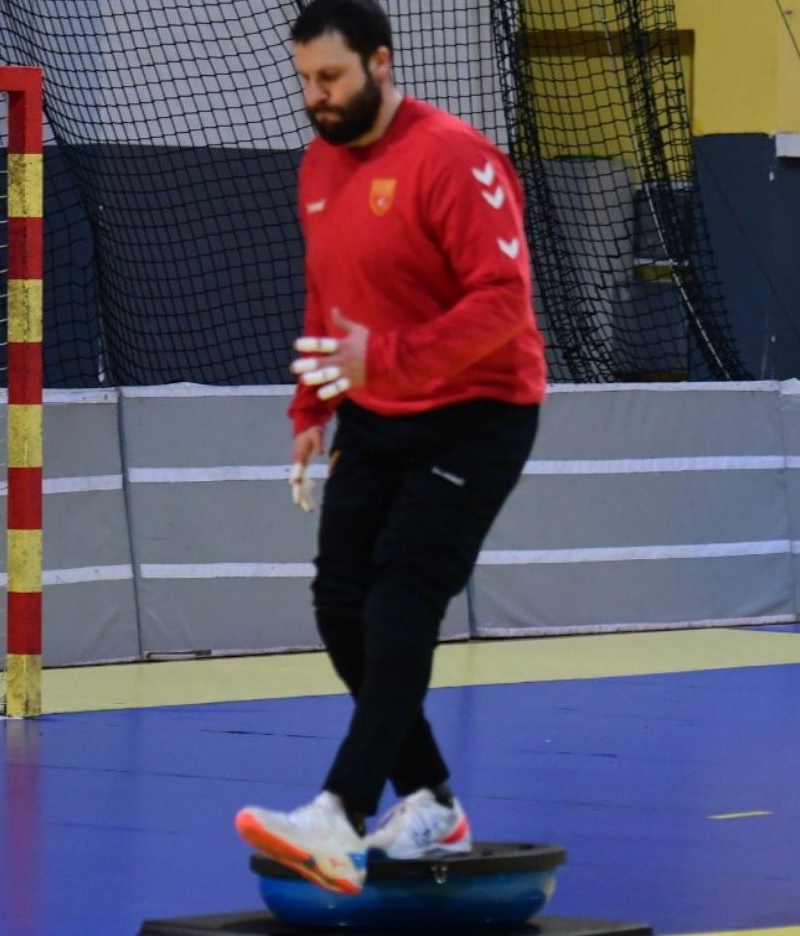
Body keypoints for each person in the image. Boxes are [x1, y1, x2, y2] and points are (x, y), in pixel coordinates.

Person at [233, 0, 546, 895]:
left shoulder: (454, 157)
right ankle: (432, 802)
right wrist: (311, 406)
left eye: (330, 76)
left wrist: (389, 357)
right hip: (375, 413)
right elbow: (325, 297)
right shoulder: (318, 165)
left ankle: (338, 810)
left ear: (380, 62)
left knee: (402, 596)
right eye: (304, 79)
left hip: (478, 411)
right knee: (340, 605)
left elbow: (504, 304)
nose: (316, 95)